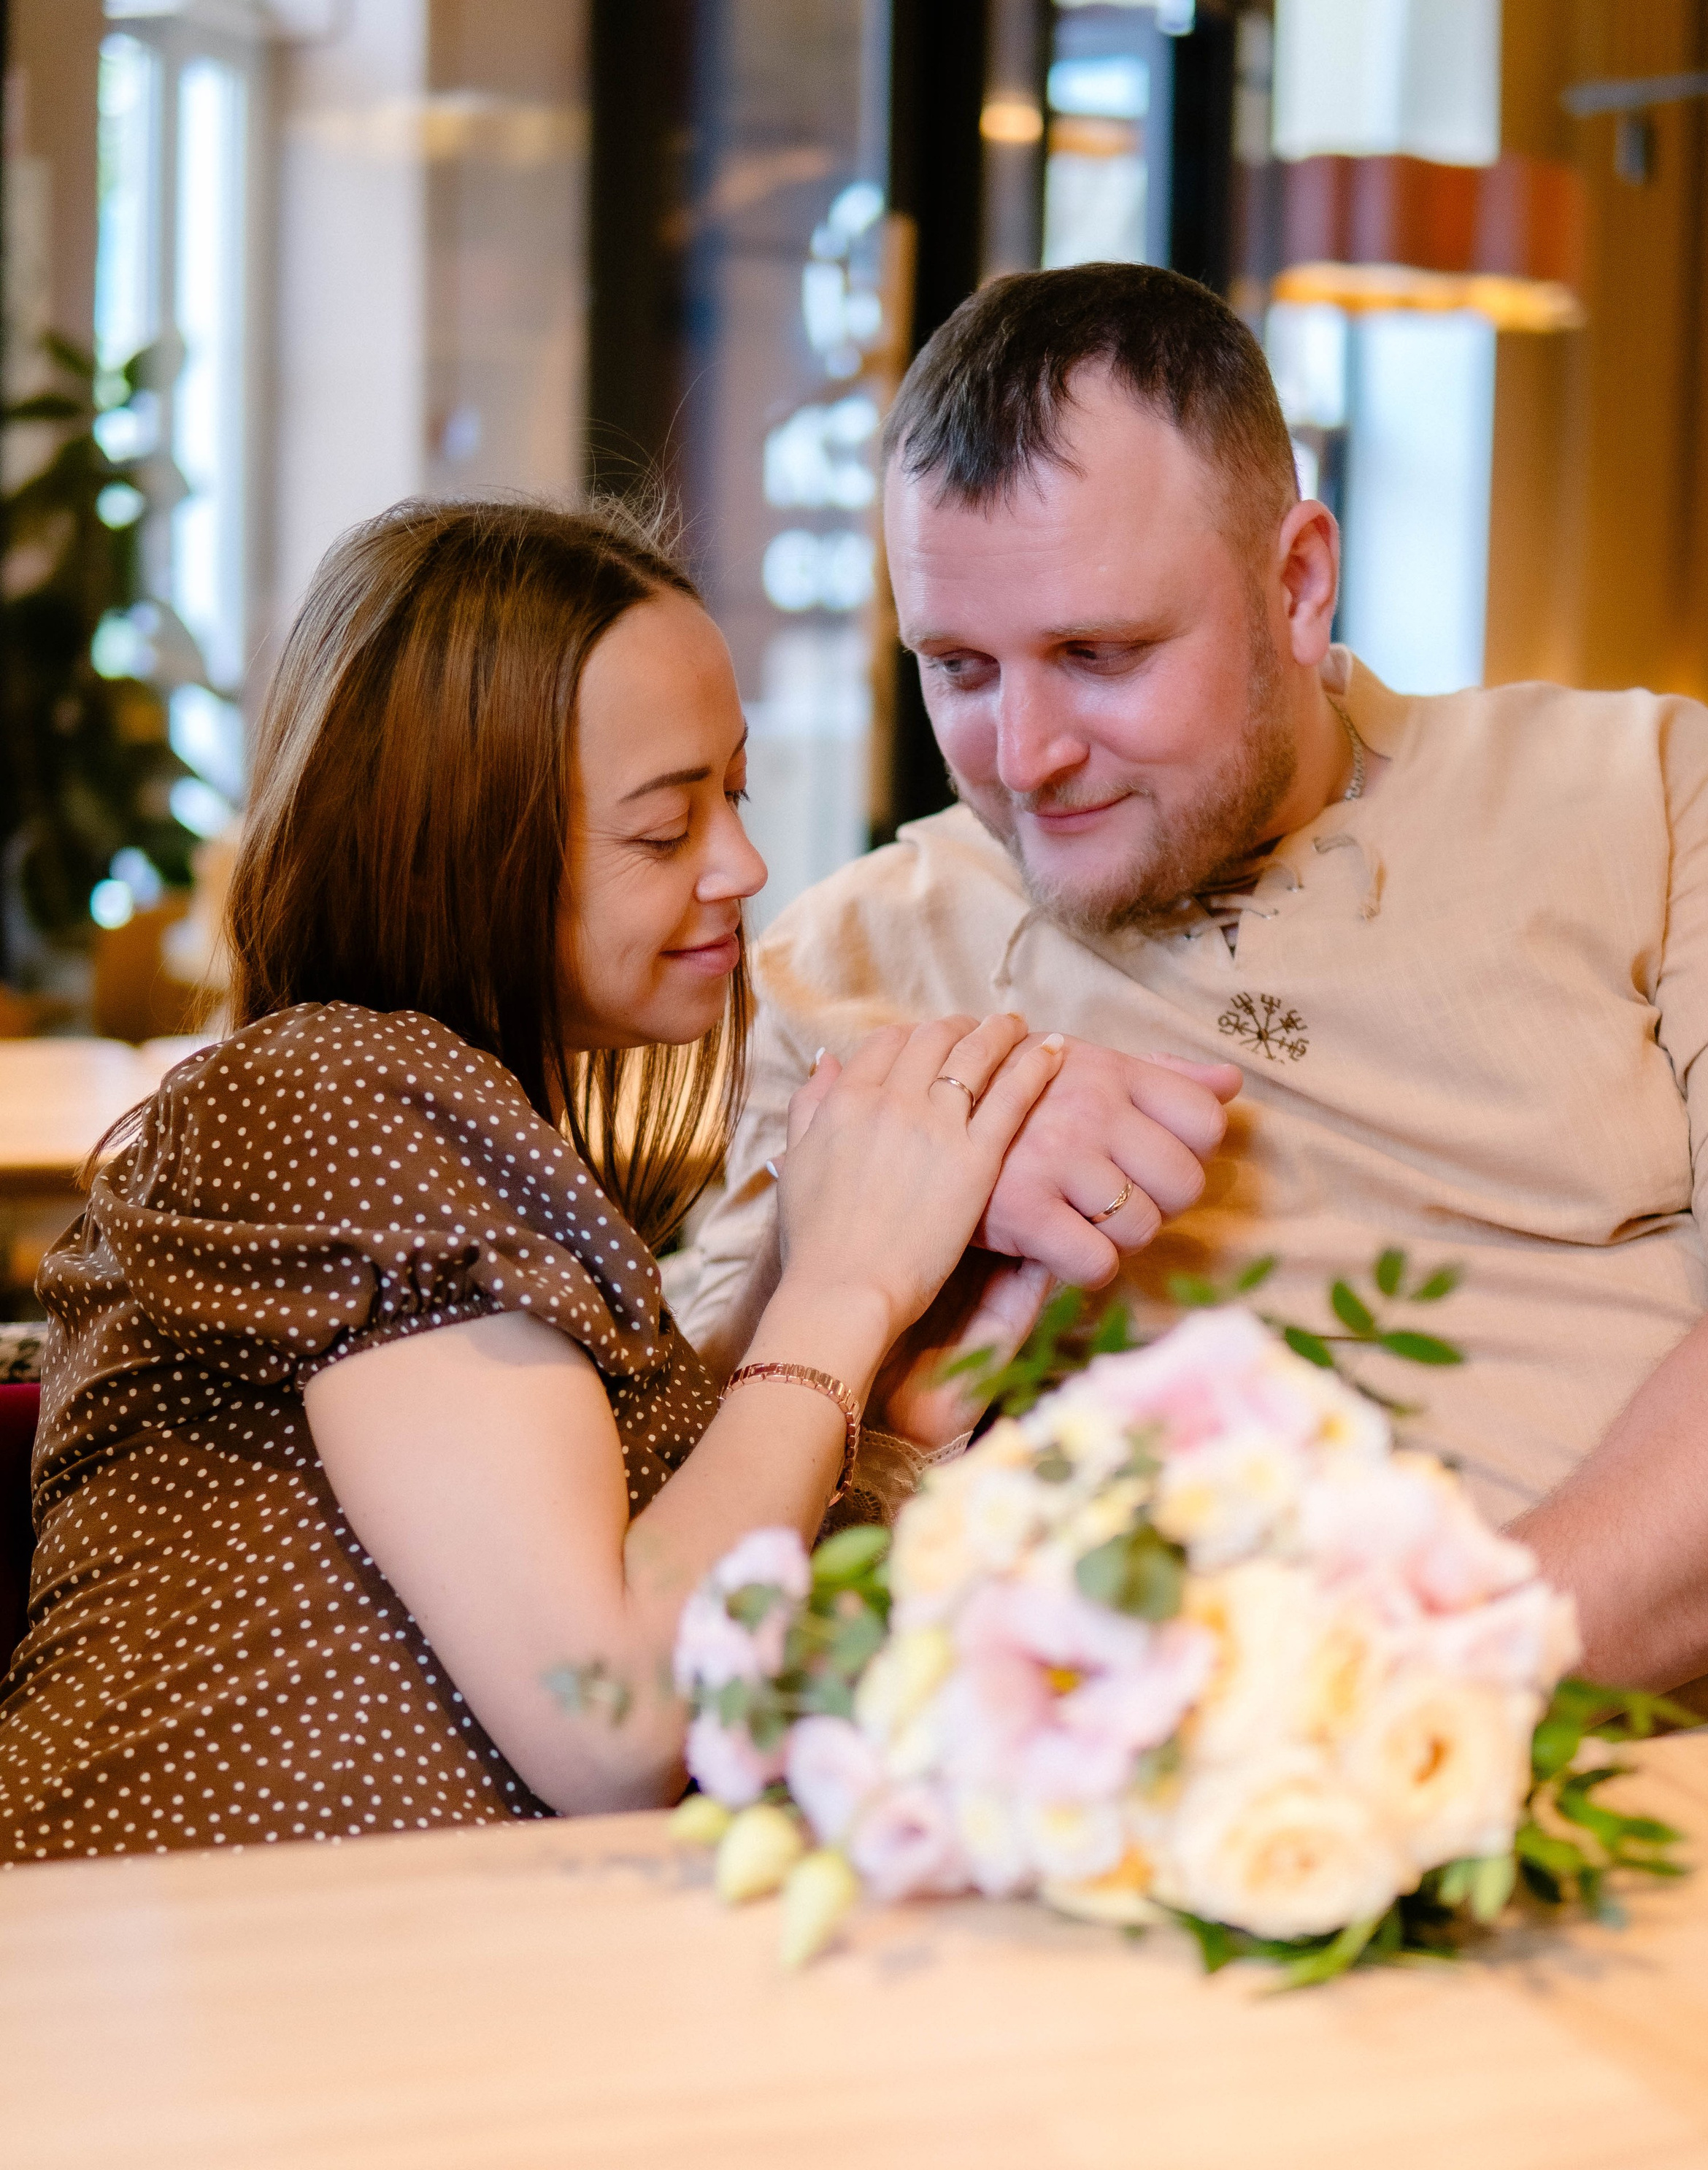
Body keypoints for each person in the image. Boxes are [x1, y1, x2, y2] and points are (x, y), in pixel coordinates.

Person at [684, 262, 1708, 1721]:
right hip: (1146, 1801)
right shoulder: (846, 970)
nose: (1027, 753)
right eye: (960, 668)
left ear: (1297, 584)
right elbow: (699, 1563)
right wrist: (918, 1211)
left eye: (1098, 654)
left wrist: (1402, 1700)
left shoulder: (1642, 795)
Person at [0, 497, 1108, 1862]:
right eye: (664, 829)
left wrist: (887, 1415)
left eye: (735, 795)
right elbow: (615, 1721)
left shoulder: (468, 1152)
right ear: (452, 844)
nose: (744, 866)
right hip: (201, 1953)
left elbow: (703, 1637)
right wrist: (839, 1294)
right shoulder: (336, 1088)